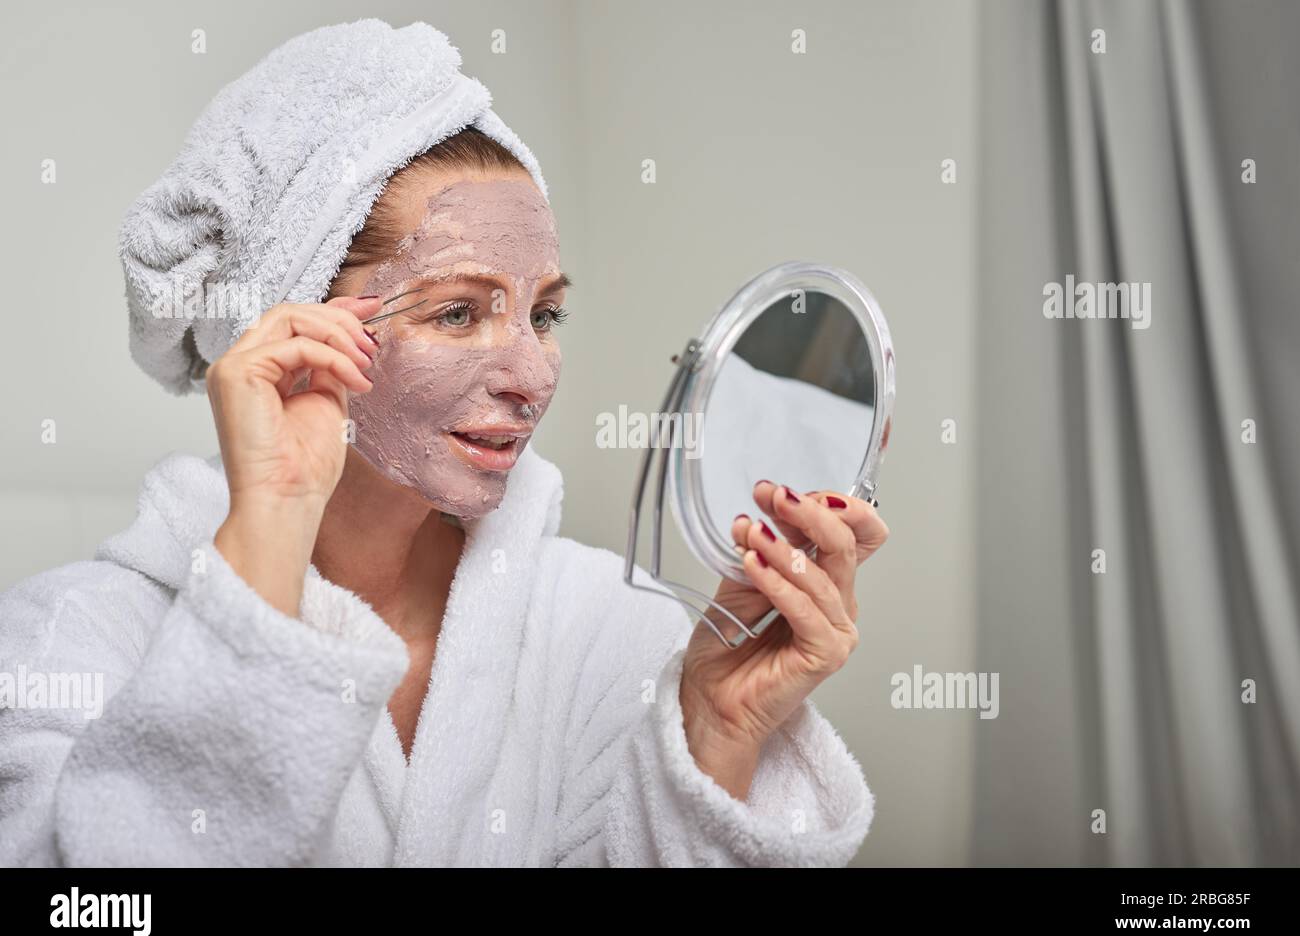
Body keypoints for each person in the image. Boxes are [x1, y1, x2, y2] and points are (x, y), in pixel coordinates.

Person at [0, 19, 887, 867]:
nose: (533, 375)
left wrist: (717, 737)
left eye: (545, 314)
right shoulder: (73, 644)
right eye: (457, 311)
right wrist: (268, 528)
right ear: (289, 328)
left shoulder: (617, 637)